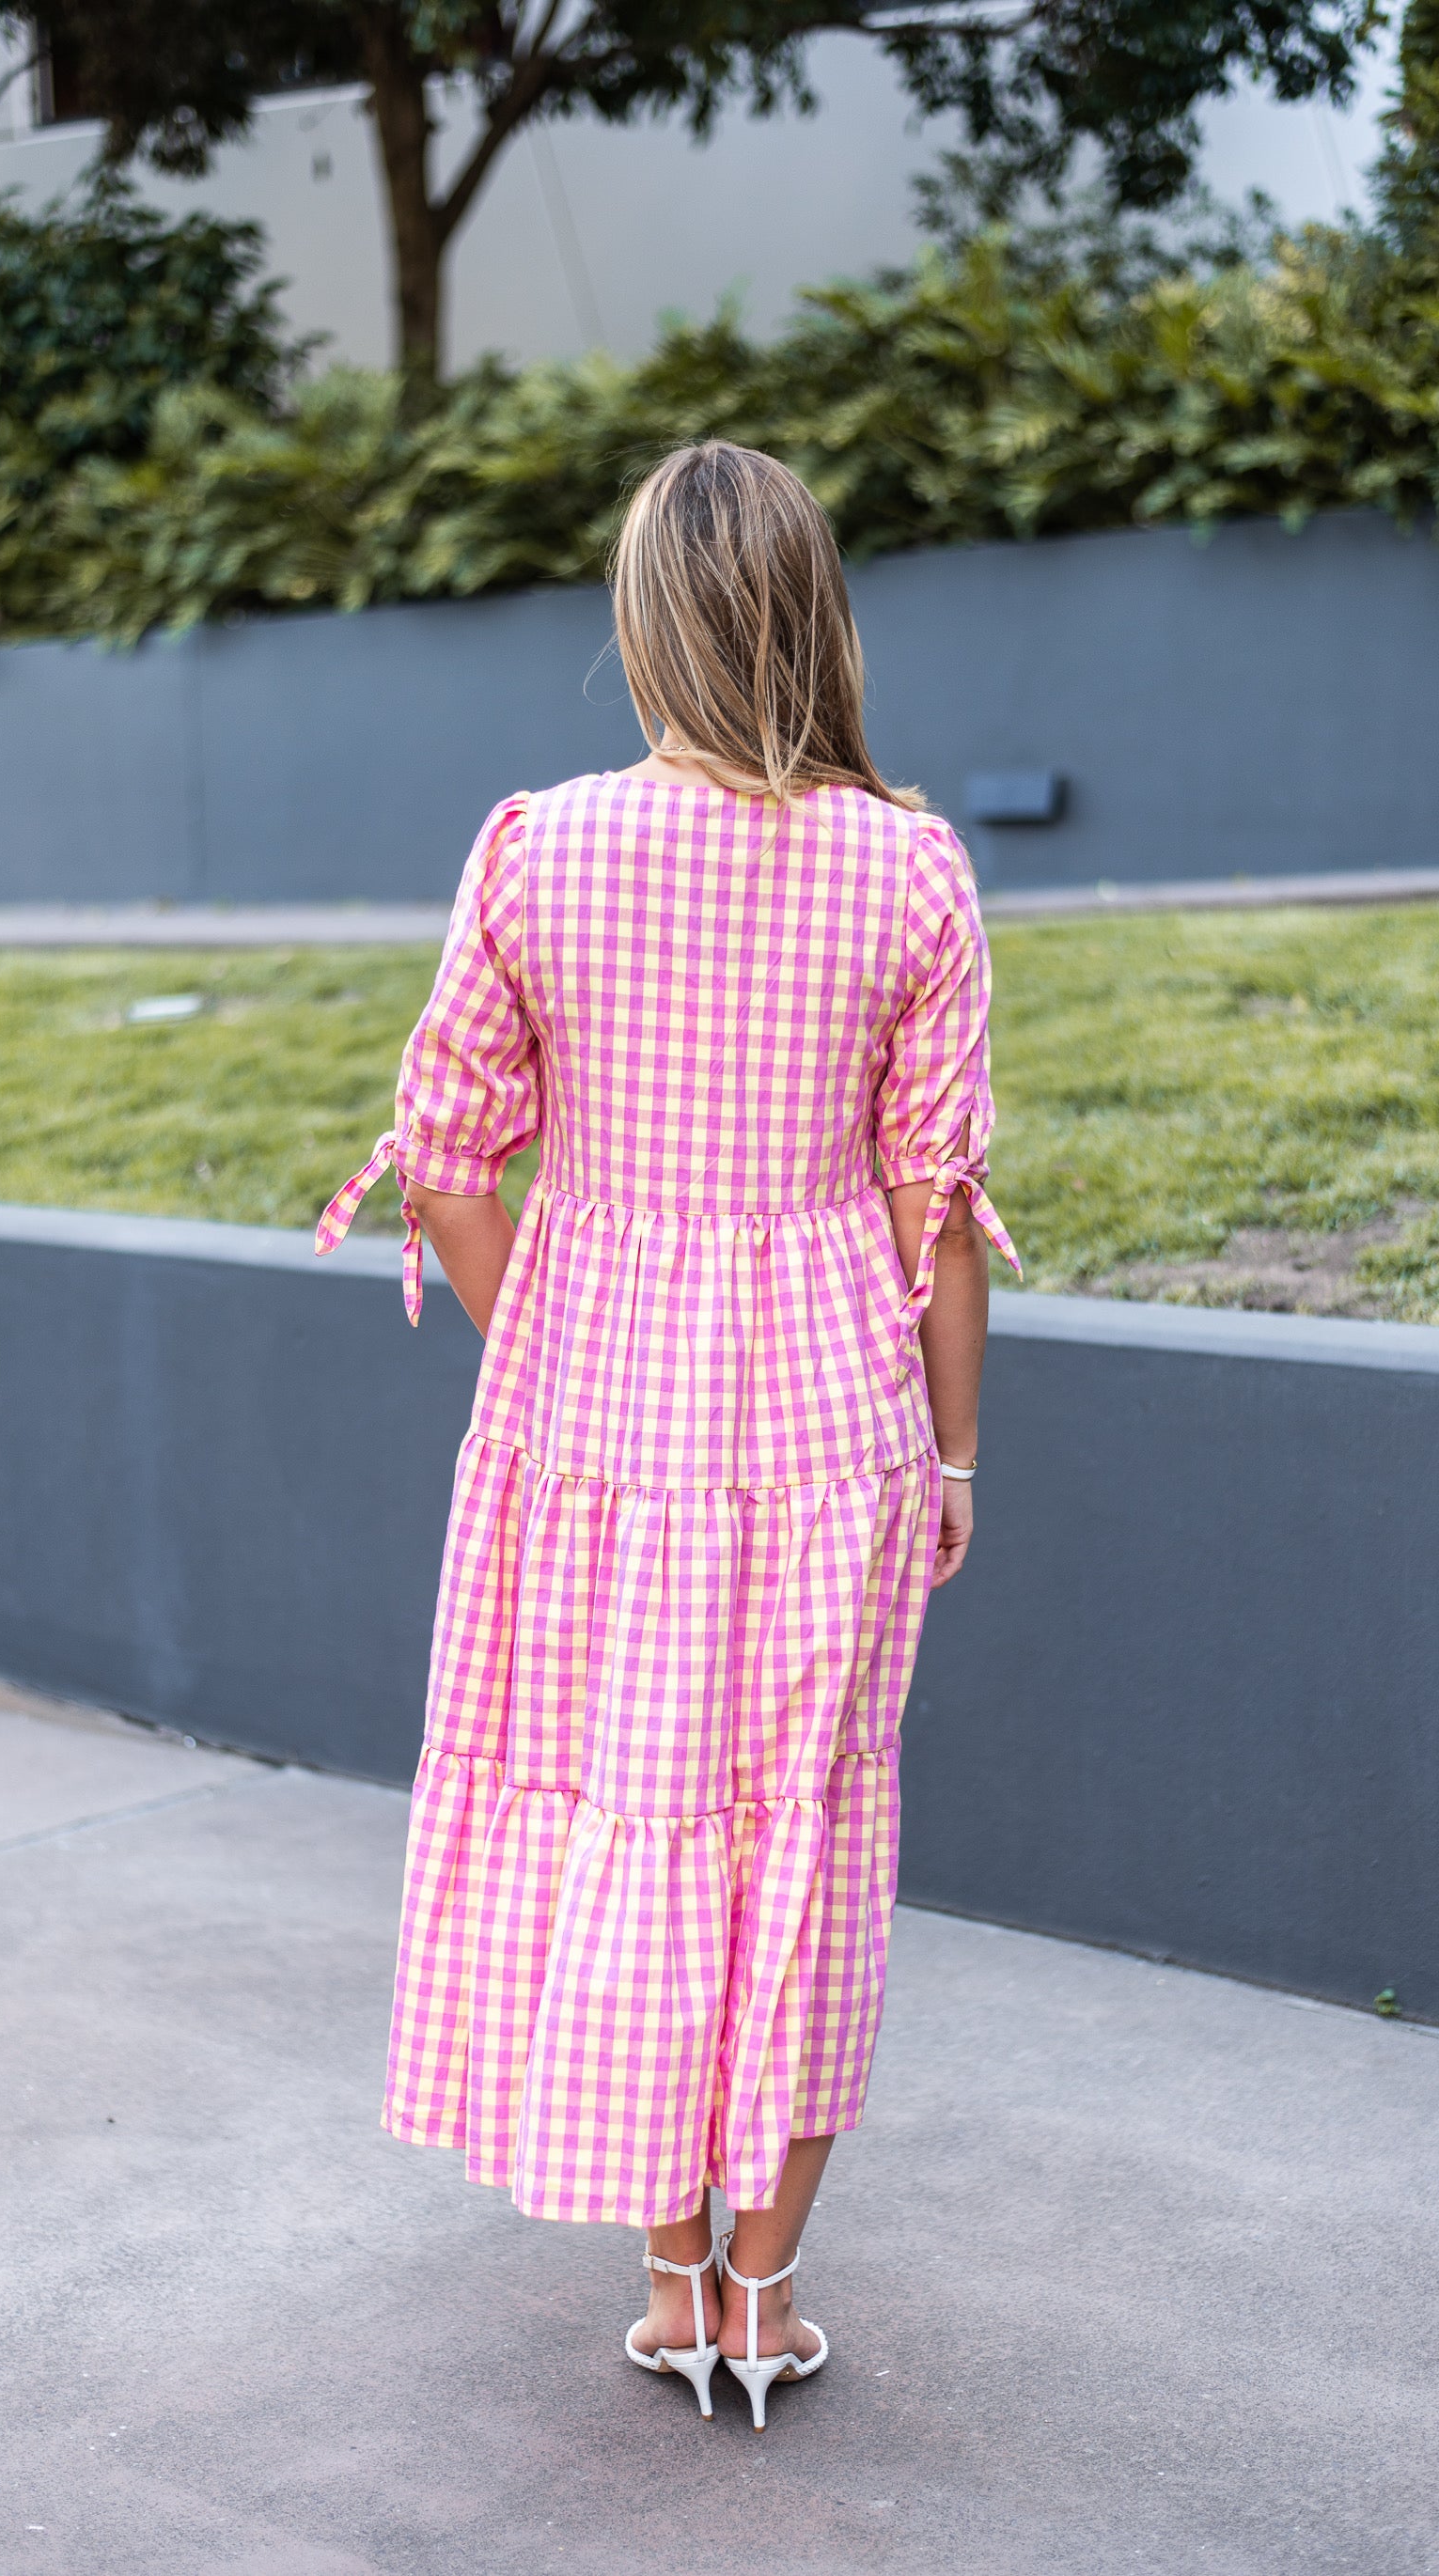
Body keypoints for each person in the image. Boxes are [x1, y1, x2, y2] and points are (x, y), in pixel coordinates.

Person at [317, 440, 1019, 2427]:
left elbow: (450, 1161)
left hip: (592, 1399)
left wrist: (539, 1346)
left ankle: (660, 2276)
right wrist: (956, 1457)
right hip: (832, 1420)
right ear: (819, 614)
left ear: (644, 623)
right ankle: (760, 2296)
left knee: (632, 1800)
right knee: (803, 1824)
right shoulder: (913, 864)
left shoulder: (539, 847)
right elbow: (933, 1207)